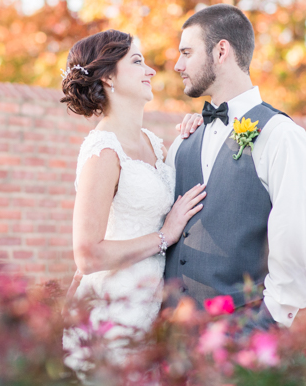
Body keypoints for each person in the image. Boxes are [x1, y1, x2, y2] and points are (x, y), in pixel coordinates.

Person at [164, 4, 306, 332]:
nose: (178, 65)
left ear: (221, 51)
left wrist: (268, 322)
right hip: (174, 345)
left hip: (243, 338)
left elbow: (294, 243)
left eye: (187, 52)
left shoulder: (282, 137)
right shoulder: (183, 140)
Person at [59, 30, 205, 374]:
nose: (151, 70)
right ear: (108, 77)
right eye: (138, 61)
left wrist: (190, 133)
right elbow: (87, 254)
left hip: (152, 307)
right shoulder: (102, 151)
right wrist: (163, 238)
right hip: (113, 313)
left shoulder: (154, 144)